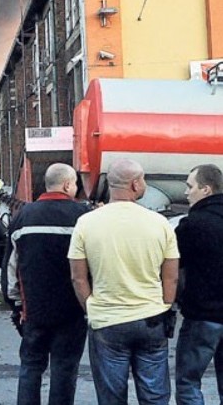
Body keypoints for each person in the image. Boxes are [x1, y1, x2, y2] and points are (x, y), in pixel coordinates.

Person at [68, 158, 179, 405]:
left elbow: (78, 276)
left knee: (111, 397)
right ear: (135, 183)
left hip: (108, 321)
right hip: (151, 318)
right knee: (155, 395)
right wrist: (164, 304)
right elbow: (171, 276)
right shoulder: (159, 223)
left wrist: (92, 309)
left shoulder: (87, 222)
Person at [4, 163, 91, 405]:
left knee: (31, 367)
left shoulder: (23, 217)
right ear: (66, 185)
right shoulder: (82, 217)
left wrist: (17, 306)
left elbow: (11, 269)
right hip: (72, 312)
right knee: (64, 370)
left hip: (34, 311)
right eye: (74, 184)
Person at [175, 163, 223, 405]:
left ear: (205, 189)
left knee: (188, 382)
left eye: (189, 186)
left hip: (202, 315)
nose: (186, 192)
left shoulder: (193, 225)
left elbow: (173, 267)